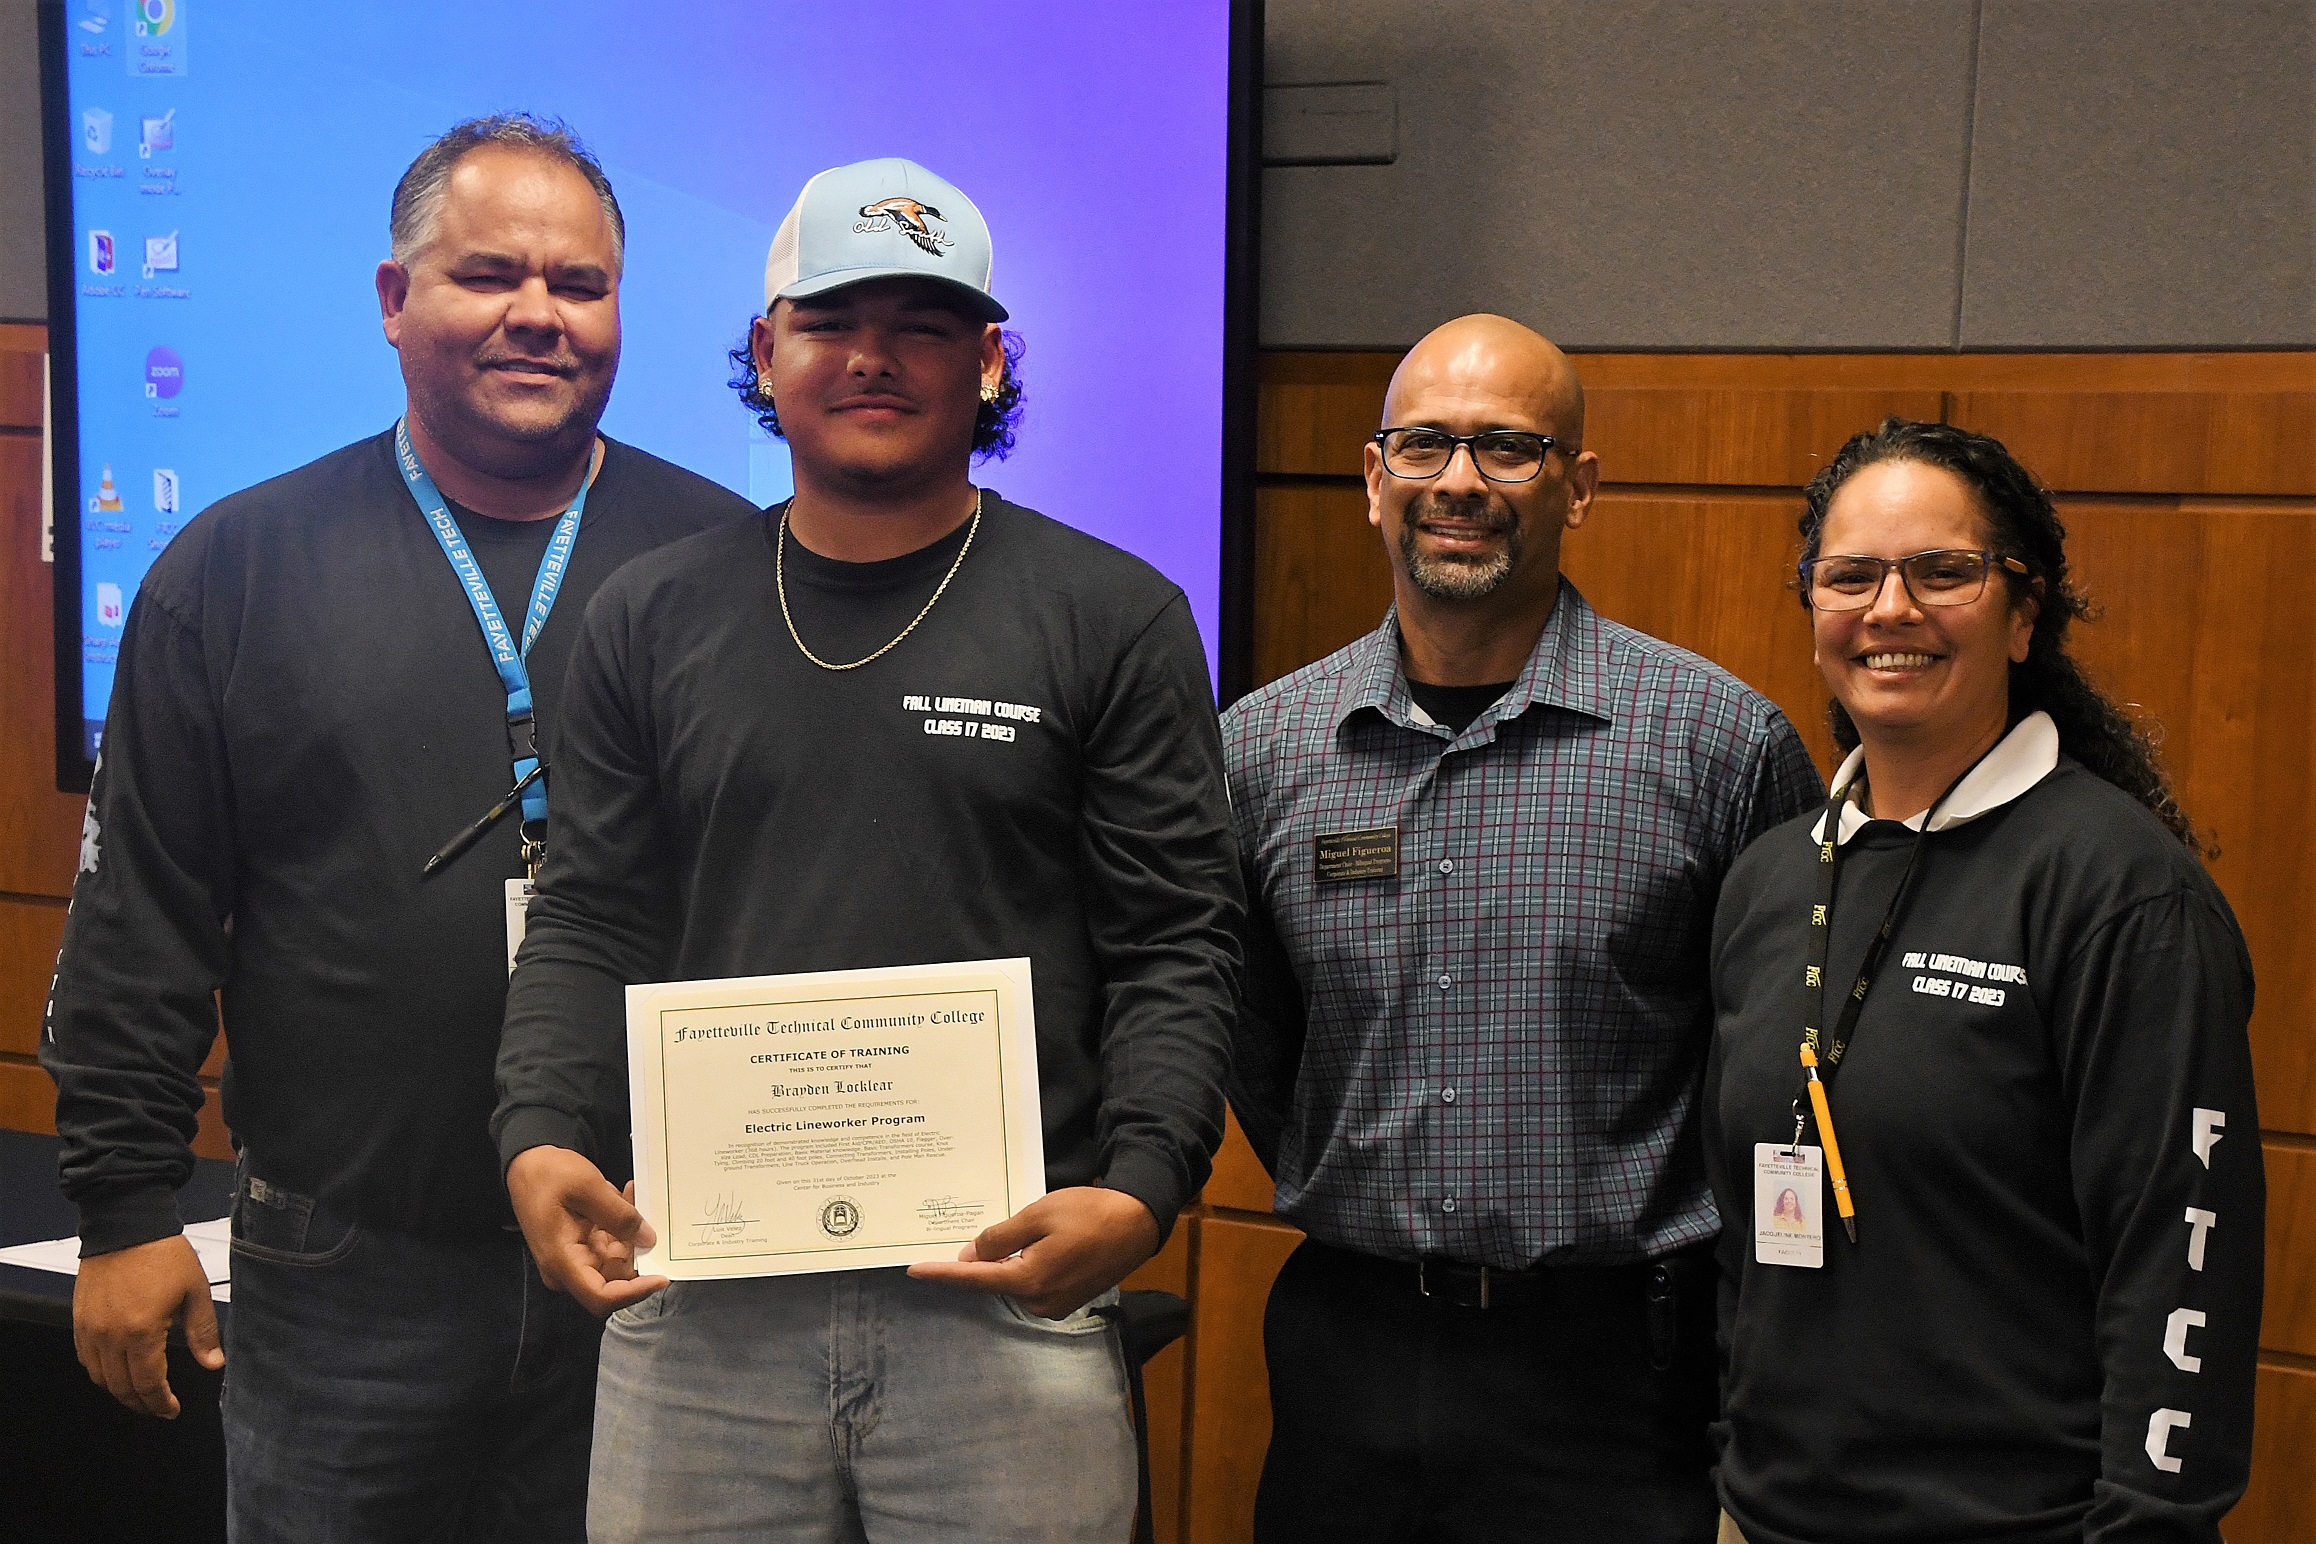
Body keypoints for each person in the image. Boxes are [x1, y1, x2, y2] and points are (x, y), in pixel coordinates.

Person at [491, 157, 1242, 1542]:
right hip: (699, 1305)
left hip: (1004, 1306)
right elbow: (590, 915)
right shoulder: (646, 620)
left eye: (925, 323)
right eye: (834, 321)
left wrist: (1144, 1191)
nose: (875, 358)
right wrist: (537, 1131)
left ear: (990, 360)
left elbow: (1177, 943)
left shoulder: (1114, 617)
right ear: (769, 352)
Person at [41, 114, 755, 1541]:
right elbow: (144, 916)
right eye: (490, 274)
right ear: (393, 300)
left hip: (661, 1253)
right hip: (348, 1263)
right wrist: (122, 1210)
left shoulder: (728, 563)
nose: (538, 317)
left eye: (581, 285)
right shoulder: (235, 571)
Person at [1224, 313, 1822, 1543]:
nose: (1459, 481)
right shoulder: (1264, 750)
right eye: (1425, 445)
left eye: (1507, 447)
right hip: (1351, 1353)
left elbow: (1779, 1084)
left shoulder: (1720, 745)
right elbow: (1259, 1048)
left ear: (1579, 485)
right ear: (1372, 478)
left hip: (1618, 1377)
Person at [1704, 419, 2263, 1543]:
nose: (1890, 610)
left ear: (2024, 612)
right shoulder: (1771, 878)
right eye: (1849, 576)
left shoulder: (2121, 894)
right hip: (1766, 1519)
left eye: (1942, 572)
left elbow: (2179, 1259)